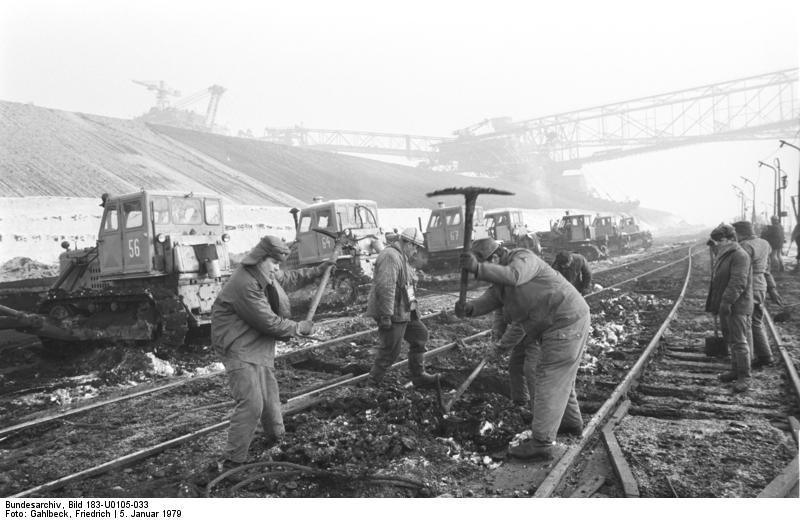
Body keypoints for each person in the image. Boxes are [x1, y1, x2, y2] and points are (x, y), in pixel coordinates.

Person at [456, 237, 590, 461]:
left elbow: (514, 276)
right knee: (560, 377)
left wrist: (478, 268)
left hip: (565, 320)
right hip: (554, 324)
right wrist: (469, 308)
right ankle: (570, 422)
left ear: (496, 257)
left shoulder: (523, 259)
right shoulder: (501, 282)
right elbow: (491, 299)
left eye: (488, 265)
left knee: (549, 376)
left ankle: (542, 443)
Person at [211, 235, 335, 469]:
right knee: (252, 403)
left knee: (270, 395)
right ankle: (233, 460)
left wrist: (318, 271)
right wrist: (298, 328)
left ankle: (277, 438)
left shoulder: (264, 273)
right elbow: (269, 322)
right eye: (274, 263)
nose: (277, 268)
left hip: (256, 343)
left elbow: (287, 278)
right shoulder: (244, 284)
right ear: (260, 259)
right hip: (236, 346)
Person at [365, 227, 439, 386]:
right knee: (390, 351)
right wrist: (386, 315)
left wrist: (414, 309)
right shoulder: (390, 256)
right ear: (409, 243)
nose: (416, 251)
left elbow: (406, 283)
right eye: (416, 247)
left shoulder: (401, 257)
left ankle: (418, 376)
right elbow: (386, 287)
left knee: (420, 335)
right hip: (392, 311)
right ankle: (371, 384)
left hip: (404, 309)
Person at [705, 224, 753, 393]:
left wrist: (726, 303)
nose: (717, 244)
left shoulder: (740, 255)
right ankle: (735, 370)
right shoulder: (725, 254)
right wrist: (716, 303)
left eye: (719, 241)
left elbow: (738, 283)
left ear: (729, 239)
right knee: (731, 339)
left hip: (737, 305)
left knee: (739, 341)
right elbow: (718, 281)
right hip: (727, 304)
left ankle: (744, 377)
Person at [733, 221, 783, 368]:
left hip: (749, 287)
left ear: (740, 233)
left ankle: (747, 362)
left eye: (735, 233)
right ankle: (765, 356)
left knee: (746, 324)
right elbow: (767, 269)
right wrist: (772, 288)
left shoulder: (744, 246)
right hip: (761, 285)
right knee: (756, 322)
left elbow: (742, 272)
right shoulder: (764, 243)